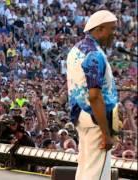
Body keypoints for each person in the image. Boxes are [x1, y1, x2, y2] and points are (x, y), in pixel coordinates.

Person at [67, 10, 118, 180]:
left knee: (84, 170)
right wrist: (106, 132)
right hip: (96, 119)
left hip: (82, 116)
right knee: (96, 174)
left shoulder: (76, 49)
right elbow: (94, 96)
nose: (114, 34)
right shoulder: (94, 54)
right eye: (112, 29)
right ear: (100, 28)